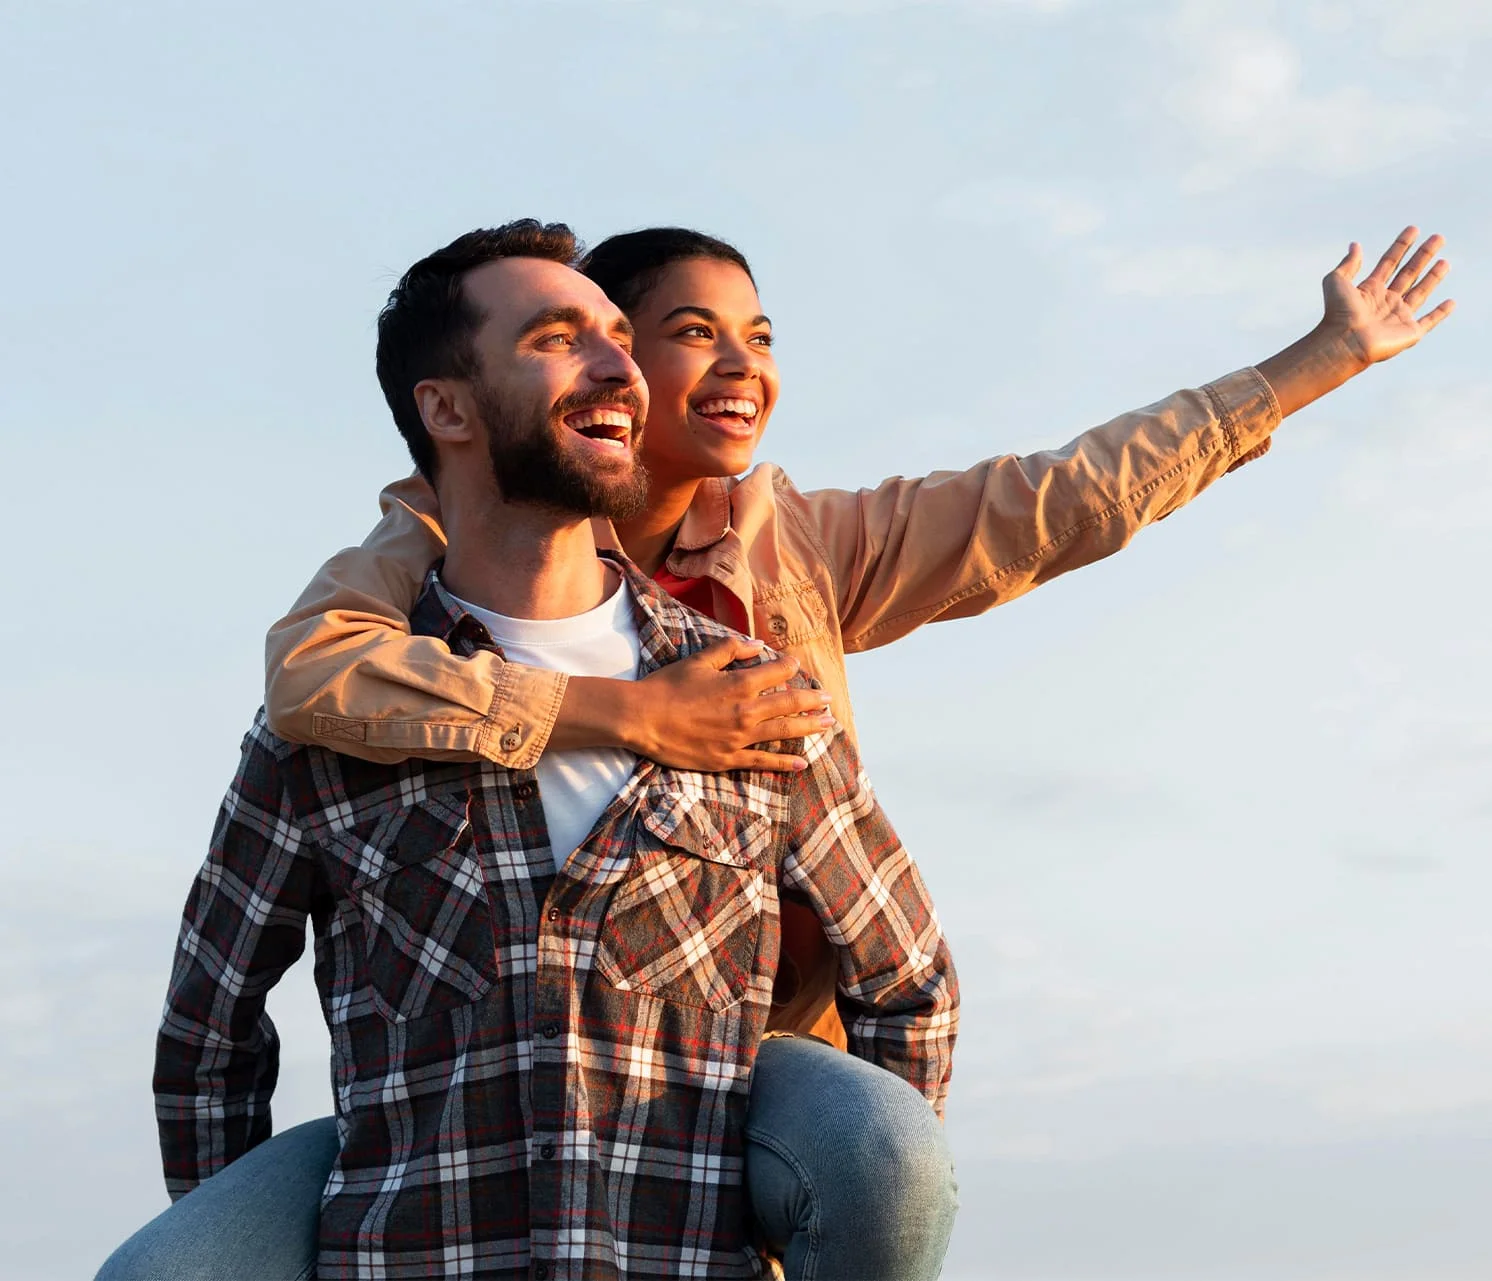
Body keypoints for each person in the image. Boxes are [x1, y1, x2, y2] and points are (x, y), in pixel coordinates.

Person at [102, 223, 959, 1281]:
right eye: (560, 339)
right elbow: (208, 1032)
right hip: (412, 1255)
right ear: (446, 407)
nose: (620, 367)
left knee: (886, 1141)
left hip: (680, 1255)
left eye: (617, 336)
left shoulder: (752, 697)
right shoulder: (330, 725)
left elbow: (908, 982)